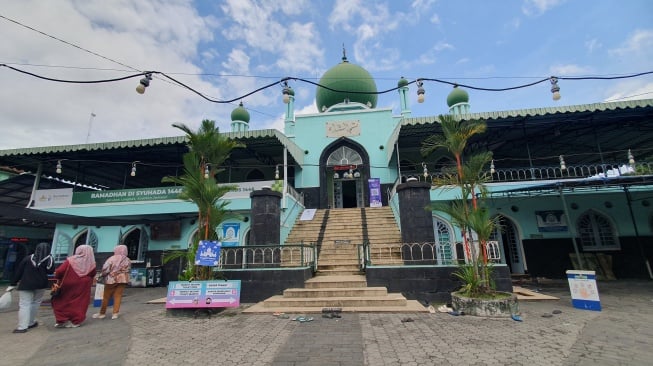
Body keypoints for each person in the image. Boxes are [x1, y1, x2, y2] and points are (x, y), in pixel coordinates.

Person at [7, 242, 55, 333]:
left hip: (26, 284)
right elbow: (50, 271)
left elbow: (19, 272)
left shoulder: (28, 258)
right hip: (41, 285)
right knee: (35, 303)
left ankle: (22, 327)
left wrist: (13, 283)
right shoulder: (49, 259)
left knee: (24, 305)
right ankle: (31, 322)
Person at [51, 244, 96, 328]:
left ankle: (62, 319)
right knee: (79, 302)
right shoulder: (91, 262)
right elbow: (93, 274)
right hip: (83, 285)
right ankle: (76, 321)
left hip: (68, 284)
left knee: (61, 301)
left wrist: (56, 275)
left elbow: (60, 271)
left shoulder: (71, 260)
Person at [93, 244, 131, 320]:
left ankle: (102, 313)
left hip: (111, 279)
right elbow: (128, 269)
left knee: (106, 296)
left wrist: (102, 274)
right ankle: (115, 313)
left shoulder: (112, 258)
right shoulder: (127, 259)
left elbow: (105, 269)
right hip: (123, 279)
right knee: (118, 295)